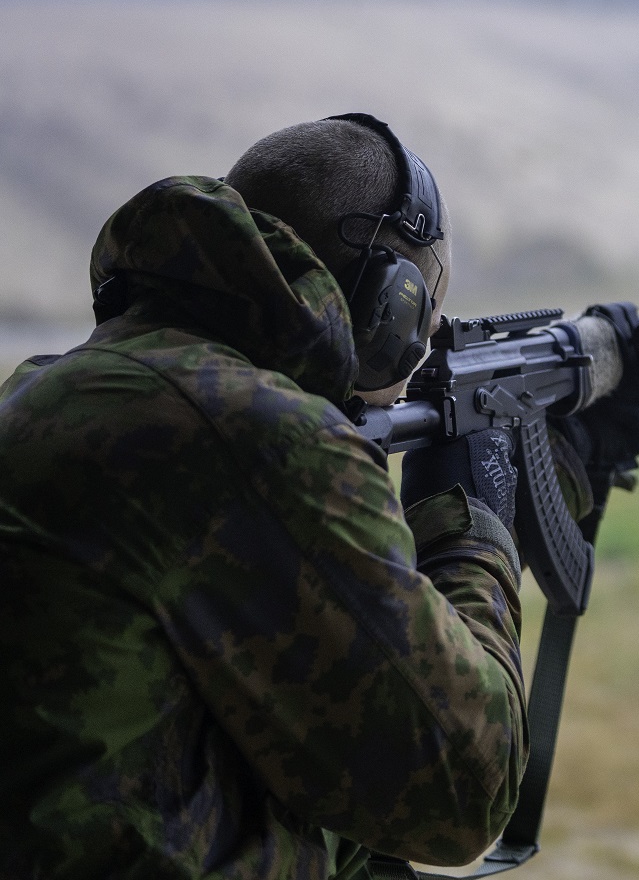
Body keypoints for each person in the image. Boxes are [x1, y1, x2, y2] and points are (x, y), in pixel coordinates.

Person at [0, 115, 535, 879]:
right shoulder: (256, 435)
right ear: (390, 309)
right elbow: (466, 792)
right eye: (423, 321)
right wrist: (470, 527)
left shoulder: (55, 381)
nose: (420, 354)